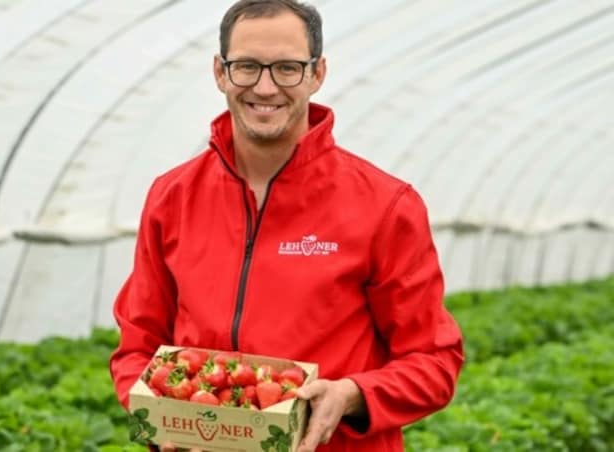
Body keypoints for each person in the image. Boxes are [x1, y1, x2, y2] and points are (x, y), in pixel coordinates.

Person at [109, 0, 464, 450]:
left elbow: (433, 360)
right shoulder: (172, 197)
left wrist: (353, 395)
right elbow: (137, 347)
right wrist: (160, 418)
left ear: (318, 74)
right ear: (220, 72)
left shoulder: (384, 206)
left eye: (287, 68)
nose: (265, 86)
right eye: (247, 67)